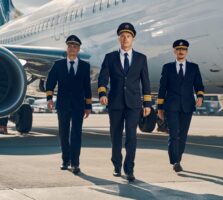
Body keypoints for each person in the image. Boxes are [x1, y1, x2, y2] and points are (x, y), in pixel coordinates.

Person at [98, 22, 152, 182]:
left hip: (133, 103)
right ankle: (116, 165)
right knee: (115, 136)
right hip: (115, 103)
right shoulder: (110, 57)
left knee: (131, 137)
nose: (125, 39)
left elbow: (146, 82)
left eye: (128, 36)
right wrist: (102, 93)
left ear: (132, 38)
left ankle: (129, 169)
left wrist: (147, 104)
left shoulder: (141, 58)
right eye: (122, 36)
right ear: (119, 38)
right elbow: (103, 78)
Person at [46, 35, 92, 175]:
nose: (72, 48)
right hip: (63, 105)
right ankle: (65, 161)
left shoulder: (85, 66)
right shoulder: (58, 64)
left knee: (76, 134)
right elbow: (50, 82)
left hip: (78, 105)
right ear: (67, 48)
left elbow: (87, 87)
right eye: (70, 46)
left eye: (75, 46)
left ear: (78, 49)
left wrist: (88, 106)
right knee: (64, 133)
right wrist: (49, 98)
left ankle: (75, 163)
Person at [157, 39, 205, 172]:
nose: (181, 51)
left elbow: (199, 85)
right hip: (171, 106)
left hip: (187, 106)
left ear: (187, 51)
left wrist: (200, 96)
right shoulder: (167, 67)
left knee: (183, 134)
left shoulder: (193, 67)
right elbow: (162, 88)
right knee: (174, 133)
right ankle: (175, 161)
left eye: (183, 49)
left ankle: (178, 158)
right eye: (178, 49)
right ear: (174, 51)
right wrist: (160, 107)